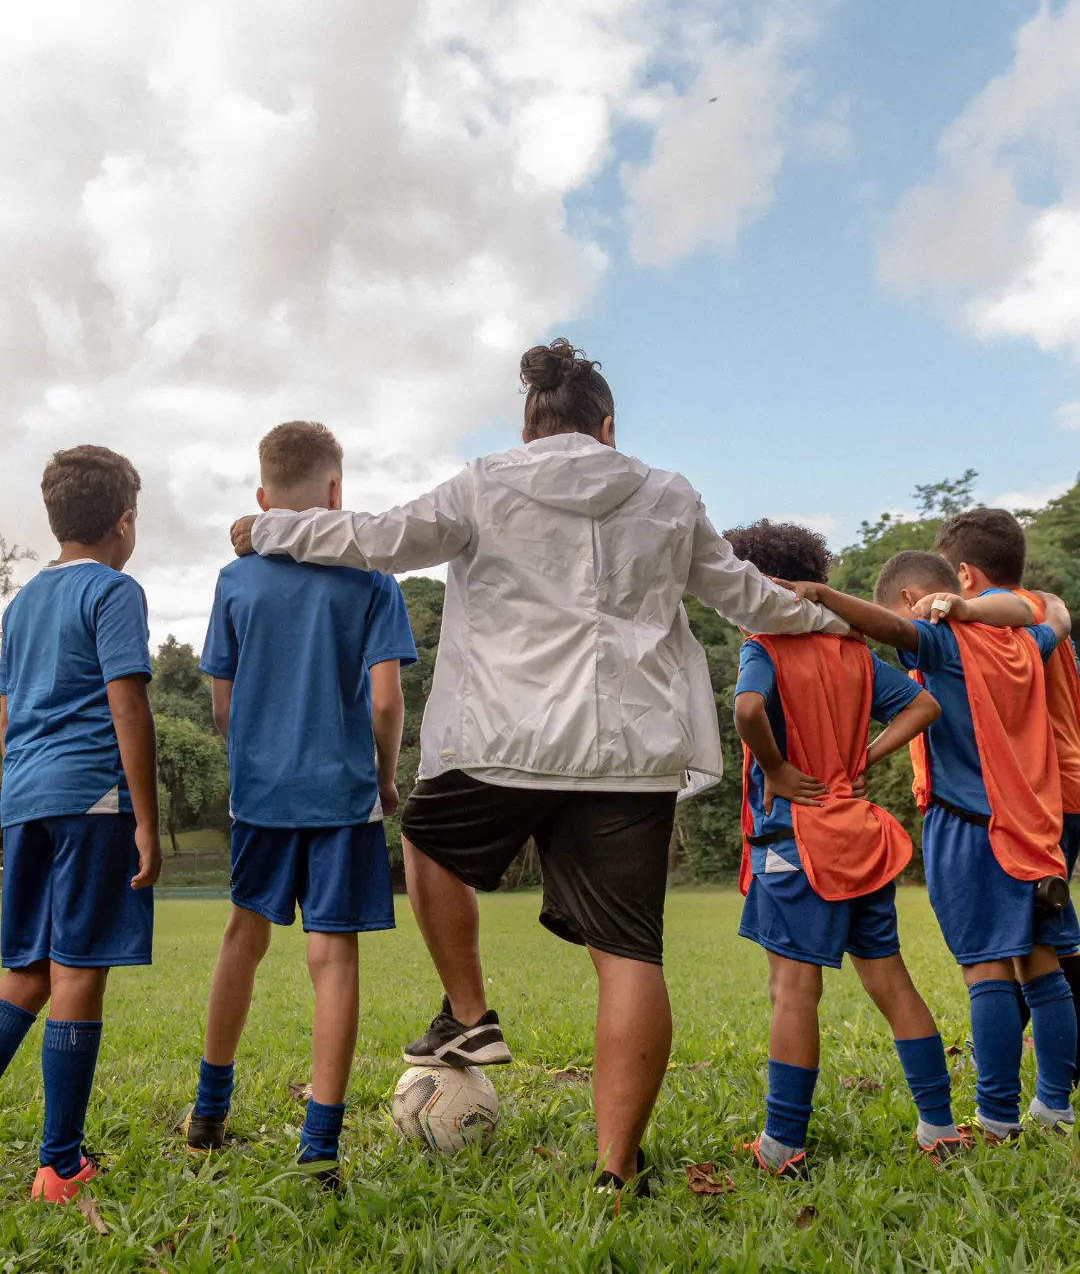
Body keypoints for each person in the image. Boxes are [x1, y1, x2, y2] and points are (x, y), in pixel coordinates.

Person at [229, 339, 850, 1195]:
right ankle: (613, 1168)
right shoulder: (667, 493)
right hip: (629, 752)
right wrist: (833, 623)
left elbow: (375, 538)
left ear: (529, 428)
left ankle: (472, 1012)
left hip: (504, 740)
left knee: (429, 842)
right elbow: (743, 594)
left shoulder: (486, 480)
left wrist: (268, 527)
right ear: (607, 426)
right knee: (630, 954)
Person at [780, 553, 1078, 1144]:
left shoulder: (946, 639)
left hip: (971, 827)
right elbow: (1059, 617)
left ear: (916, 598)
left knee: (987, 971)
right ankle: (1054, 1106)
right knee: (1043, 970)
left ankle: (996, 1118)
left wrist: (824, 594)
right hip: (1038, 827)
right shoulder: (1026, 643)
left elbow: (894, 630)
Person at [185, 422, 416, 1181]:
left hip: (261, 794)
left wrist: (253, 750)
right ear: (336, 493)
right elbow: (387, 703)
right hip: (343, 796)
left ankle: (209, 1113)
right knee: (332, 957)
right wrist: (383, 776)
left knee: (240, 941)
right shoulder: (373, 577)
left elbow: (221, 704)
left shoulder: (236, 580)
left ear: (262, 499)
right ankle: (320, 1144)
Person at [723, 521, 959, 1176]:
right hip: (860, 836)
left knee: (792, 992)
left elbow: (747, 711)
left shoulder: (764, 645)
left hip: (797, 844)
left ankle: (782, 1146)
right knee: (891, 980)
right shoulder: (852, 651)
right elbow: (923, 705)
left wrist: (773, 768)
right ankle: (939, 1127)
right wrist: (864, 758)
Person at [0, 446, 160, 1203]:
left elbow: (3, 716)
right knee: (76, 972)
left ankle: (60, 1154)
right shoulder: (114, 590)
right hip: (92, 797)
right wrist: (148, 822)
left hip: (22, 798)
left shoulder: (22, 602)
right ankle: (60, 1163)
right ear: (123, 522)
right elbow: (128, 705)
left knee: (27, 971)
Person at [937, 507, 1080, 1080]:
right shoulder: (1042, 612)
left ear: (966, 576)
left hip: (1044, 795)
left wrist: (958, 610)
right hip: (1058, 790)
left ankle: (1046, 1072)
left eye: (948, 578)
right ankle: (1040, 1067)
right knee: (1038, 944)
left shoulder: (1020, 614)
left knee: (1033, 947)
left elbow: (1037, 609)